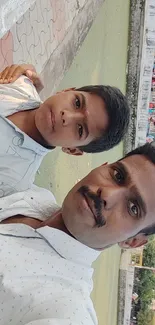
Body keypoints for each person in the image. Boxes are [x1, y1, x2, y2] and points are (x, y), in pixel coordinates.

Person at [1, 141, 155, 325]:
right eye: (117, 175)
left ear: (133, 241)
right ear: (102, 166)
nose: (106, 194)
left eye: (133, 208)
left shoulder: (66, 310)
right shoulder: (33, 196)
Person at [0, 64, 129, 197]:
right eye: (77, 103)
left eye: (80, 129)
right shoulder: (19, 83)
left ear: (73, 150)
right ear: (66, 91)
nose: (66, 116)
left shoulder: (13, 180)